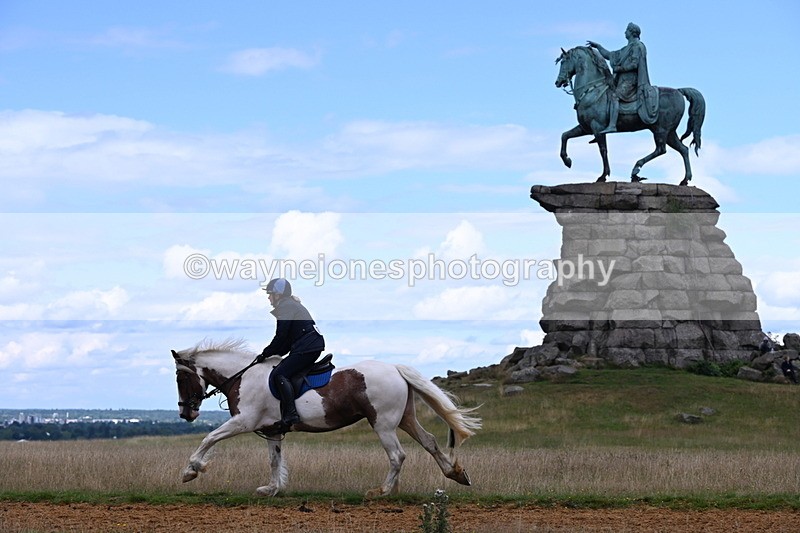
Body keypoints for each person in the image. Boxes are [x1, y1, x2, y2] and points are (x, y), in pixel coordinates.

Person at [258, 278, 325, 433]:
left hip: (307, 348)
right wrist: (273, 353)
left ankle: (290, 414)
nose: (268, 298)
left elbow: (280, 337)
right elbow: (287, 341)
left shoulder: (286, 306)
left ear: (278, 294)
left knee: (279, 374)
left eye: (270, 294)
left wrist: (265, 353)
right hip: (309, 346)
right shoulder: (290, 305)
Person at [587, 22, 654, 133]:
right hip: (621, 80)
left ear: (632, 32)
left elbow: (634, 64)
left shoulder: (638, 46)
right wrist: (598, 46)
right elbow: (609, 55)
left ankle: (612, 125)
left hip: (631, 81)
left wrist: (619, 69)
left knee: (614, 96)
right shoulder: (626, 48)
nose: (625, 32)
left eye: (627, 30)